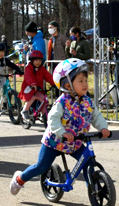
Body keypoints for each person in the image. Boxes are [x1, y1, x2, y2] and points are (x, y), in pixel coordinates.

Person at [9, 58, 110, 195]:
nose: (85, 84)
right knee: (41, 167)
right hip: (54, 141)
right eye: (80, 81)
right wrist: (62, 132)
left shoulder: (88, 102)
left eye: (85, 80)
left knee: (88, 164)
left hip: (75, 141)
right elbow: (53, 119)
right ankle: (19, 179)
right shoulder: (62, 102)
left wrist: (103, 128)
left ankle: (94, 190)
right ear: (67, 85)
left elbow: (96, 116)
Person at [19, 50, 53, 121]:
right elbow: (28, 76)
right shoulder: (29, 68)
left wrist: (56, 83)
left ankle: (44, 115)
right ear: (31, 61)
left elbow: (48, 77)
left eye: (40, 60)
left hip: (38, 88)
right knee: (33, 96)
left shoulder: (42, 69)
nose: (38, 62)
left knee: (44, 99)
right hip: (29, 87)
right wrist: (32, 84)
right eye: (36, 60)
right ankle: (25, 110)